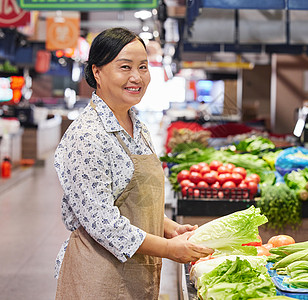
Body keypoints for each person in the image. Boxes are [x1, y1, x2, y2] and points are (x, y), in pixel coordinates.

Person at [53, 27, 214, 299]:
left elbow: (133, 201)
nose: (136, 77)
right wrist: (168, 248)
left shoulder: (135, 126)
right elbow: (103, 222)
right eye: (125, 67)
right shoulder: (88, 135)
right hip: (99, 277)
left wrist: (169, 226)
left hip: (135, 273)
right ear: (97, 72)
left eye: (143, 67)